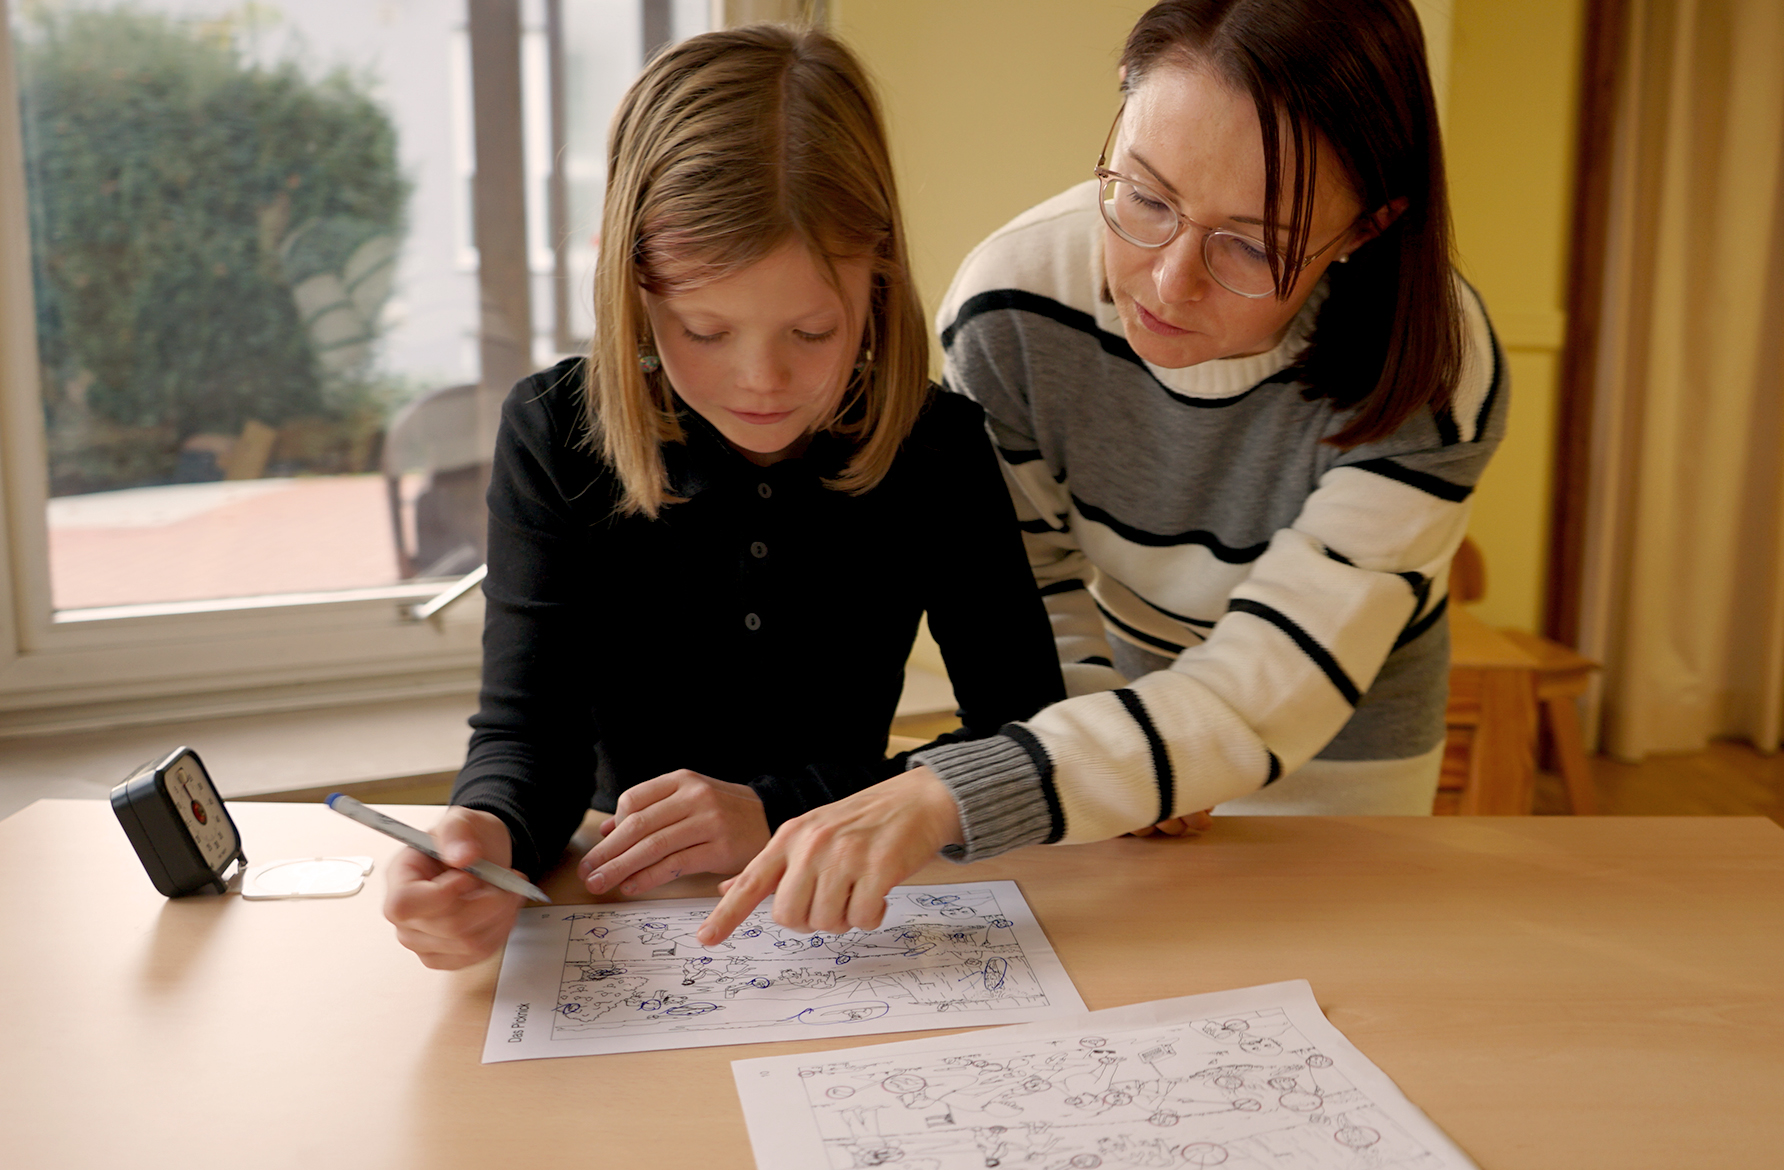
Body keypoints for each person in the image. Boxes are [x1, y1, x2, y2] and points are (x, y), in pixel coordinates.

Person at [698, 0, 1506, 945]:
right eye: (1147, 198)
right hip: (1104, 739)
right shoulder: (1010, 307)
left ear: (1370, 225)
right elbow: (1038, 588)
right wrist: (1112, 764)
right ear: (1123, 102)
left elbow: (1268, 686)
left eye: (1252, 244)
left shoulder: (1432, 370)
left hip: (1338, 755)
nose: (1168, 281)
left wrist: (947, 792)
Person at [383, 25, 1063, 970]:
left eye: (813, 331)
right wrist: (484, 834)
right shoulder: (554, 434)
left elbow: (1022, 732)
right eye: (705, 330)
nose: (763, 382)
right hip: (628, 912)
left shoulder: (935, 442)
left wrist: (784, 810)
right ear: (633, 288)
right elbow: (530, 736)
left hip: (857, 920)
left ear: (878, 278)